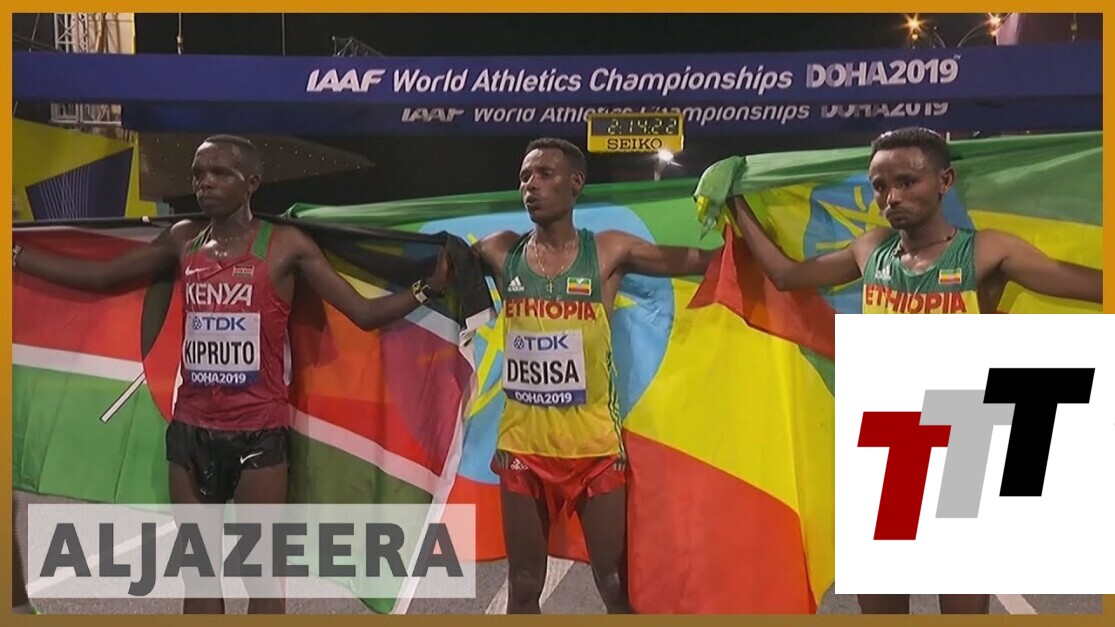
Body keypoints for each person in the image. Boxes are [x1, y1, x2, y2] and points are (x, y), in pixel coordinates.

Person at [11, 135, 451, 614]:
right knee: (199, 577)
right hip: (190, 434)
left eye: (220, 173)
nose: (205, 183)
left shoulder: (285, 247)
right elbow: (101, 277)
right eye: (199, 174)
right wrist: (14, 255)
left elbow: (363, 313)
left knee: (260, 577)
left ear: (252, 182)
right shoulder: (184, 240)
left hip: (258, 434)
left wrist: (427, 289)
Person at [728, 126, 1102, 615]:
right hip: (885, 440)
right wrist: (734, 201)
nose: (892, 197)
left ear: (945, 181)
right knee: (882, 603)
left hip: (963, 445)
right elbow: (785, 275)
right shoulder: (871, 250)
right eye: (880, 186)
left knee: (961, 602)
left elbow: (1089, 285)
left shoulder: (986, 252)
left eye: (907, 181)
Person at [471, 138, 717, 614]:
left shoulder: (607, 251)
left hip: (595, 451)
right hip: (523, 448)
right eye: (524, 177)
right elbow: (431, 259)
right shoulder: (501, 251)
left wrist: (751, 230)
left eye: (545, 174)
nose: (530, 185)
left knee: (616, 582)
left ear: (576, 183)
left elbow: (698, 262)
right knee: (524, 584)